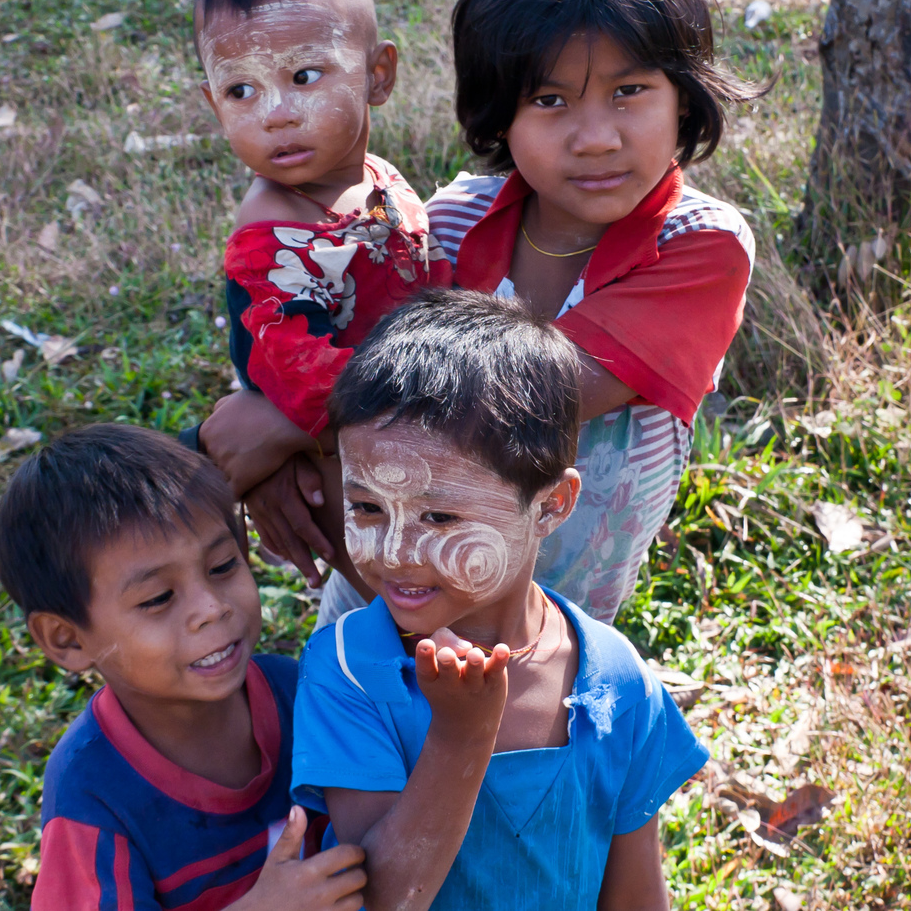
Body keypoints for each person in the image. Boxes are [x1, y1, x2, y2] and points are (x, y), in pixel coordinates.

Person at [320, 0, 768, 624]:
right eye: (551, 99)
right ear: (500, 112)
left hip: (544, 635)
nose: (595, 138)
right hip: (376, 604)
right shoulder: (449, 223)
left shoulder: (697, 245)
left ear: (683, 97)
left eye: (629, 91)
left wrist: (281, 431)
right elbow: (331, 339)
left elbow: (517, 396)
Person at [291, 290, 708, 911]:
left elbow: (636, 895)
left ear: (551, 504)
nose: (397, 552)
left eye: (439, 515)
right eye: (368, 507)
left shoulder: (613, 680)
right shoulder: (350, 673)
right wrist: (461, 736)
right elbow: (379, 901)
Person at [0, 423, 367, 911]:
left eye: (222, 567)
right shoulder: (92, 794)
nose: (210, 608)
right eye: (158, 598)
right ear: (67, 639)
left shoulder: (302, 693)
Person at [184, 0, 451, 599]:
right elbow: (307, 384)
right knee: (402, 601)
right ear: (215, 105)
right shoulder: (273, 238)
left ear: (378, 75)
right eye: (241, 90)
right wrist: (446, 396)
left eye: (304, 76)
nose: (275, 114)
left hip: (405, 440)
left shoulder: (373, 180)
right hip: (347, 466)